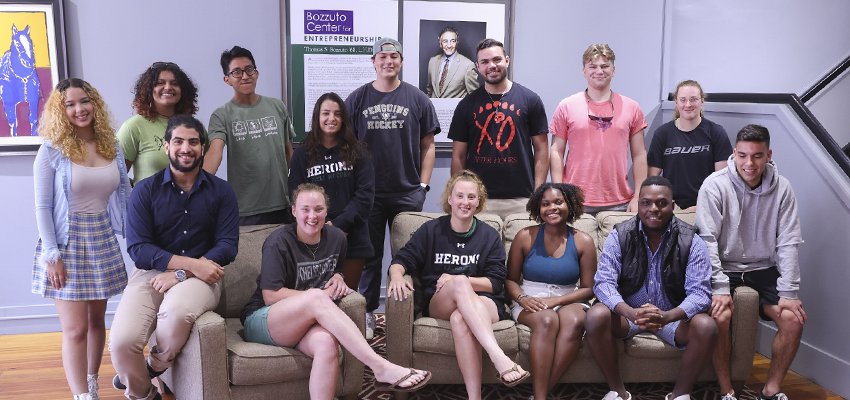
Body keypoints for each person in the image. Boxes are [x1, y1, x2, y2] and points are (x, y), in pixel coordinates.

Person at [240, 183, 431, 398]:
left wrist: (339, 278)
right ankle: (380, 367)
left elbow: (334, 273)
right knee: (315, 297)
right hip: (264, 319)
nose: (312, 216)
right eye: (305, 209)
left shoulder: (337, 238)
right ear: (294, 211)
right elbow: (270, 296)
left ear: (327, 211)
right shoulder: (278, 242)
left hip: (307, 323)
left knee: (327, 345)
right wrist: (318, 297)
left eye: (318, 209)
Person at [108, 115, 239, 400]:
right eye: (178, 141)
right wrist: (190, 265)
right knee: (121, 342)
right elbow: (139, 249)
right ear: (166, 147)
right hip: (152, 274)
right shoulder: (144, 190)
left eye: (193, 142)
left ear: (203, 147)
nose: (186, 148)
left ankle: (154, 366)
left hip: (204, 278)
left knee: (175, 313)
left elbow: (228, 246)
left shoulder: (222, 191)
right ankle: (143, 392)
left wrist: (184, 274)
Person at [387, 170, 530, 400]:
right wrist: (395, 276)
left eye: (471, 197)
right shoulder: (431, 230)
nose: (465, 202)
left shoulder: (489, 235)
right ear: (450, 199)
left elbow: (495, 284)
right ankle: (499, 358)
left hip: (486, 303)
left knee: (459, 317)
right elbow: (401, 260)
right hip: (440, 302)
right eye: (460, 196)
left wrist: (457, 280)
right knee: (461, 285)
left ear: (479, 201)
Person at [33, 78, 131, 400]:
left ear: (95, 104)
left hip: (101, 237)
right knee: (74, 329)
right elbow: (43, 206)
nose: (79, 109)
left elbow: (126, 197)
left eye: (84, 101)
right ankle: (81, 396)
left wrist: (139, 241)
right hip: (66, 243)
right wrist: (52, 255)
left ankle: (92, 382)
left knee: (96, 320)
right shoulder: (51, 151)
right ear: (60, 111)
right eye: (70, 104)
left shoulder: (111, 146)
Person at [695, 124, 805, 400]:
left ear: (768, 155)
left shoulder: (783, 188)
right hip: (724, 267)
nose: (749, 163)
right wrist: (718, 286)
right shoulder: (715, 184)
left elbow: (789, 241)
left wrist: (789, 293)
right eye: (743, 155)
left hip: (762, 267)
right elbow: (706, 240)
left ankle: (770, 391)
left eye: (757, 156)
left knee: (793, 320)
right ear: (735, 153)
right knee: (720, 316)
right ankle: (727, 391)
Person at [586, 176, 717, 400]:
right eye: (646, 202)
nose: (653, 209)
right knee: (596, 315)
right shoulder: (621, 235)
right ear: (638, 204)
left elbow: (700, 293)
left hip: (671, 318)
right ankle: (618, 392)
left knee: (706, 326)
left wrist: (667, 316)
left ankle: (680, 394)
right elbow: (603, 283)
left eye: (661, 203)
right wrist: (629, 312)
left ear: (673, 205)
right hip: (628, 316)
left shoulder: (691, 239)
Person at [345, 37, 440, 339]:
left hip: (406, 193)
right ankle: (369, 313)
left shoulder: (418, 99)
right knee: (369, 257)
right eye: (382, 56)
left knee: (410, 257)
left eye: (394, 56)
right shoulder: (357, 99)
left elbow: (428, 146)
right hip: (367, 195)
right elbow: (345, 147)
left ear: (401, 61)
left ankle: (411, 315)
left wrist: (423, 186)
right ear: (373, 62)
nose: (388, 61)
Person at [505, 183, 597, 400]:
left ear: (570, 205)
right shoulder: (524, 236)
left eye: (558, 202)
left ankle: (540, 396)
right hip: (530, 297)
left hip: (569, 296)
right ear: (538, 208)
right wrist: (522, 297)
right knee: (547, 320)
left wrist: (557, 300)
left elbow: (588, 289)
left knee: (575, 321)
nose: (552, 208)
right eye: (545, 204)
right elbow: (510, 280)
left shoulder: (583, 240)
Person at [450, 38, 549, 220]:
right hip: (479, 200)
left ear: (507, 61)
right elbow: (458, 156)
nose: (491, 66)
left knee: (522, 249)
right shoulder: (466, 105)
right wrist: (461, 194)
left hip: (522, 199)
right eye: (485, 62)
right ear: (477, 66)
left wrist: (538, 193)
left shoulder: (530, 100)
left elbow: (542, 150)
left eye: (497, 60)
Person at [288, 92, 375, 290]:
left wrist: (337, 225)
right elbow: (295, 197)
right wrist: (319, 227)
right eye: (326, 113)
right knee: (317, 298)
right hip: (313, 239)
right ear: (317, 117)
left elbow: (365, 197)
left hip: (352, 237)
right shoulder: (302, 154)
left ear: (344, 118)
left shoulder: (359, 152)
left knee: (347, 298)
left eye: (337, 113)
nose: (331, 119)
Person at [549, 44, 648, 214]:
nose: (599, 71)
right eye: (593, 66)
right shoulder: (566, 106)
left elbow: (639, 154)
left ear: (614, 70)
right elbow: (556, 151)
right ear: (584, 71)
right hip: (574, 201)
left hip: (620, 202)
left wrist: (639, 196)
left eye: (605, 66)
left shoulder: (632, 107)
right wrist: (559, 193)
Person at [204, 45, 296, 225]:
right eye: (237, 72)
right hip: (247, 208)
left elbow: (288, 152)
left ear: (256, 73)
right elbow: (215, 151)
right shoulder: (221, 115)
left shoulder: (277, 106)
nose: (245, 76)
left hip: (284, 204)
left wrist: (297, 193)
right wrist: (197, 186)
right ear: (227, 79)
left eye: (249, 70)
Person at [647, 80, 732, 210]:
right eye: (682, 100)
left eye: (693, 99)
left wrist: (701, 207)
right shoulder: (662, 134)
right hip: (671, 209)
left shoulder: (716, 132)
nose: (688, 105)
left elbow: (722, 180)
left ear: (702, 101)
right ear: (676, 102)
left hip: (706, 207)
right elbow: (652, 178)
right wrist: (666, 202)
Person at [117, 62, 200, 185]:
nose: (168, 87)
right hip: (149, 203)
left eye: (175, 83)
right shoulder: (133, 127)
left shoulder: (195, 126)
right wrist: (136, 196)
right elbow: (117, 178)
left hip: (191, 203)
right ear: (149, 89)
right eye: (160, 83)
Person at [425, 27, 479, 98]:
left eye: (452, 41)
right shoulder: (433, 61)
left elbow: (474, 96)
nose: (449, 45)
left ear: (457, 42)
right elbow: (429, 90)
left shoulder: (468, 65)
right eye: (445, 41)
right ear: (440, 43)